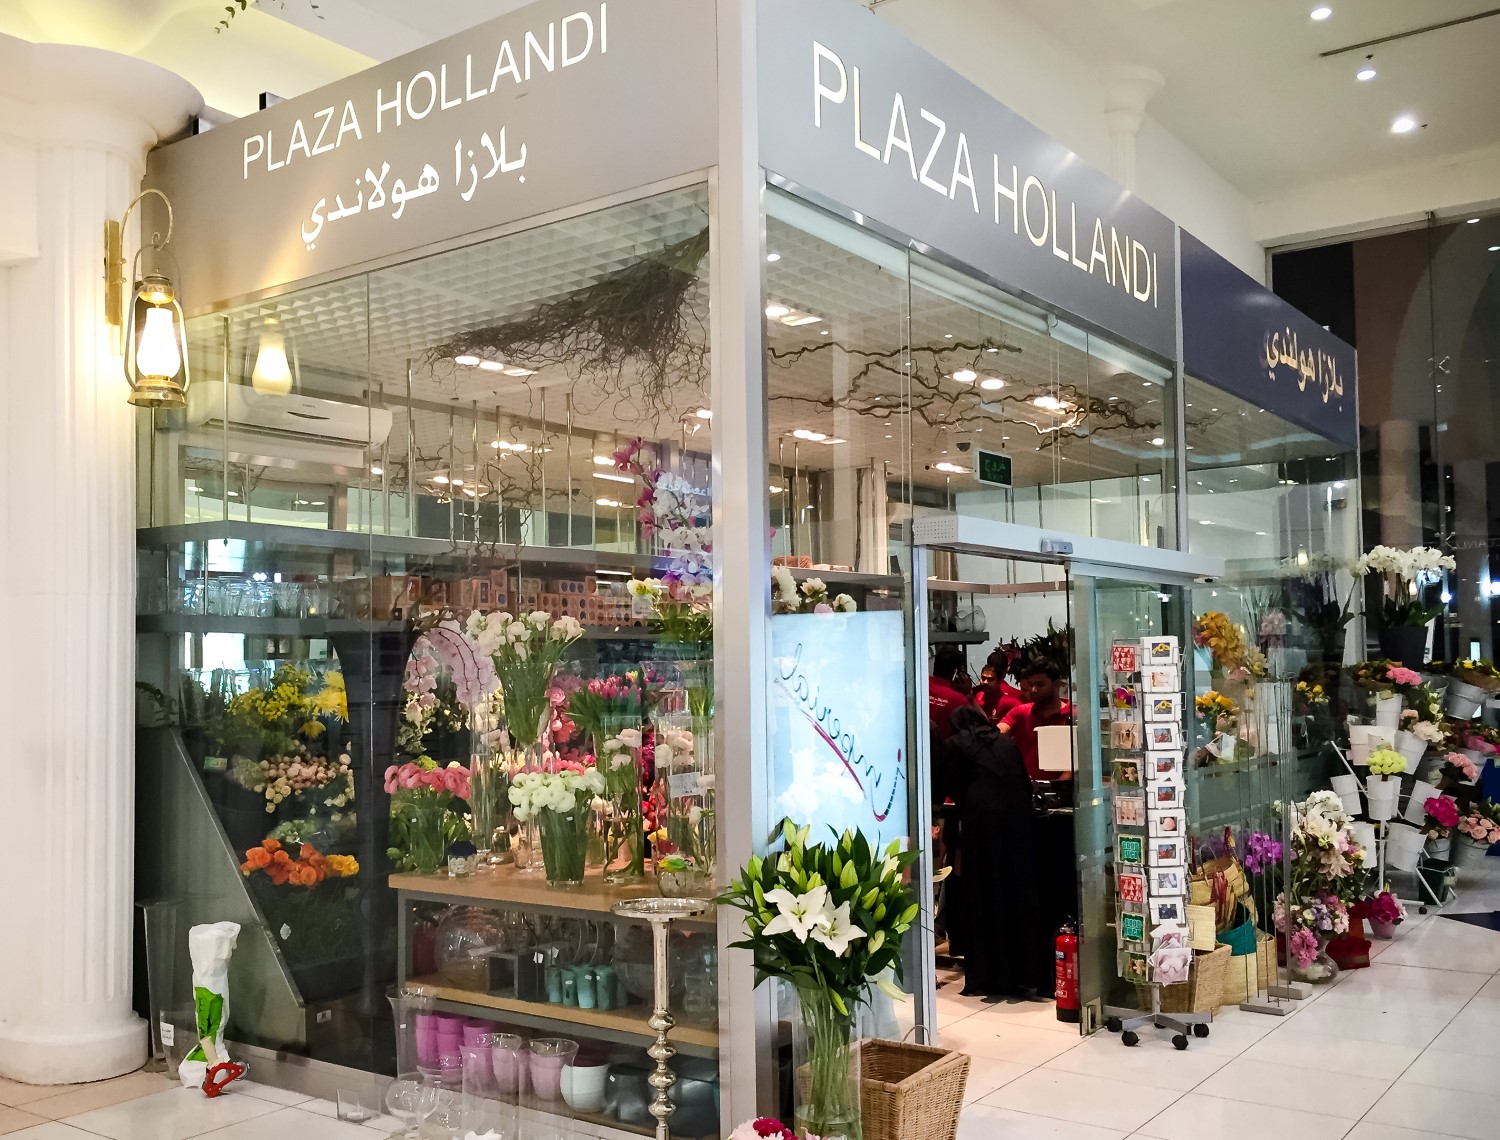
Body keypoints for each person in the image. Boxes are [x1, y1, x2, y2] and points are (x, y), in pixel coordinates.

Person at [941, 705, 1051, 997]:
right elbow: (1024, 782)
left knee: (984, 893)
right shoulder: (1005, 742)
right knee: (1016, 890)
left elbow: (951, 786)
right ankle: (1024, 971)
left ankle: (989, 973)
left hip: (980, 825)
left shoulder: (956, 744)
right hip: (1016, 824)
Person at [1000, 658, 1074, 780]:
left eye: (1040, 684)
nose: (1033, 690)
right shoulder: (1020, 712)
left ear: (1056, 685)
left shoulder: (1074, 714)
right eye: (1031, 685)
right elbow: (996, 734)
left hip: (1063, 788)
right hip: (1026, 788)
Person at [928, 646, 972, 743]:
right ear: (956, 673)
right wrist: (969, 695)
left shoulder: (919, 687)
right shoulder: (959, 701)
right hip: (944, 750)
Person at [974, 658, 1022, 725]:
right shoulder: (978, 696)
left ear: (999, 682)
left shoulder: (1008, 702)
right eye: (983, 678)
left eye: (990, 679)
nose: (985, 682)